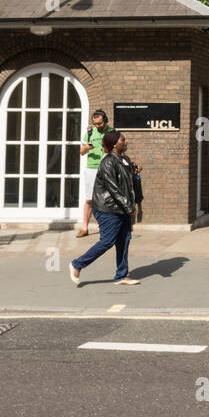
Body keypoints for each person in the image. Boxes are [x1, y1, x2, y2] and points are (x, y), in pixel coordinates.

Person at [69, 130, 139, 286]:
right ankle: (77, 264)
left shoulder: (124, 160)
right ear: (115, 144)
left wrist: (135, 173)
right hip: (107, 208)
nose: (126, 142)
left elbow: (127, 183)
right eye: (123, 140)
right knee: (107, 241)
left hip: (121, 208)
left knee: (124, 240)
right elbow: (113, 188)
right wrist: (129, 206)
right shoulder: (108, 162)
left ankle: (121, 275)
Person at [77, 109, 108, 237]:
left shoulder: (111, 132)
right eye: (95, 124)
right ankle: (85, 228)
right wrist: (86, 148)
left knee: (106, 199)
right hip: (91, 168)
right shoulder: (90, 132)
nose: (97, 126)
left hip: (106, 168)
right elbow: (81, 152)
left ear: (105, 121)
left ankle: (105, 227)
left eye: (100, 124)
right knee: (89, 199)